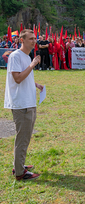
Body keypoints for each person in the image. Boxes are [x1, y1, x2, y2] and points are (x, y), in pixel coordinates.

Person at [4, 29, 44, 180]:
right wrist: (33, 64)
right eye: (30, 38)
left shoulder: (26, 57)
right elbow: (18, 78)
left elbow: (24, 77)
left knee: (25, 137)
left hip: (28, 101)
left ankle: (19, 164)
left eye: (35, 38)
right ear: (22, 40)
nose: (34, 41)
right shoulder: (16, 56)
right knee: (22, 138)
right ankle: (20, 172)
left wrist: (35, 84)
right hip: (21, 104)